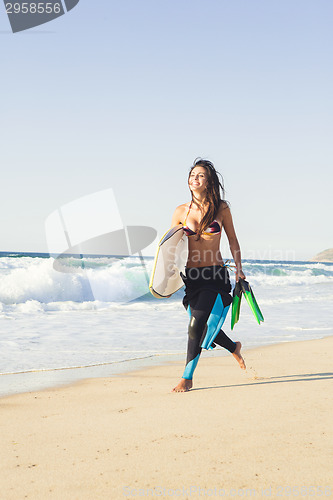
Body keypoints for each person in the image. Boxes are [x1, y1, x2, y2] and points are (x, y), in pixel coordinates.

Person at [171, 158, 246, 392]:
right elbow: (171, 248)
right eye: (193, 174)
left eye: (201, 175)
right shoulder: (180, 211)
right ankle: (234, 347)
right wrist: (165, 279)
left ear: (209, 181)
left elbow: (233, 240)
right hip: (192, 277)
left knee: (195, 326)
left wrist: (239, 271)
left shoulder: (221, 208)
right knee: (202, 326)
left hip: (215, 274)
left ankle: (187, 377)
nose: (195, 178)